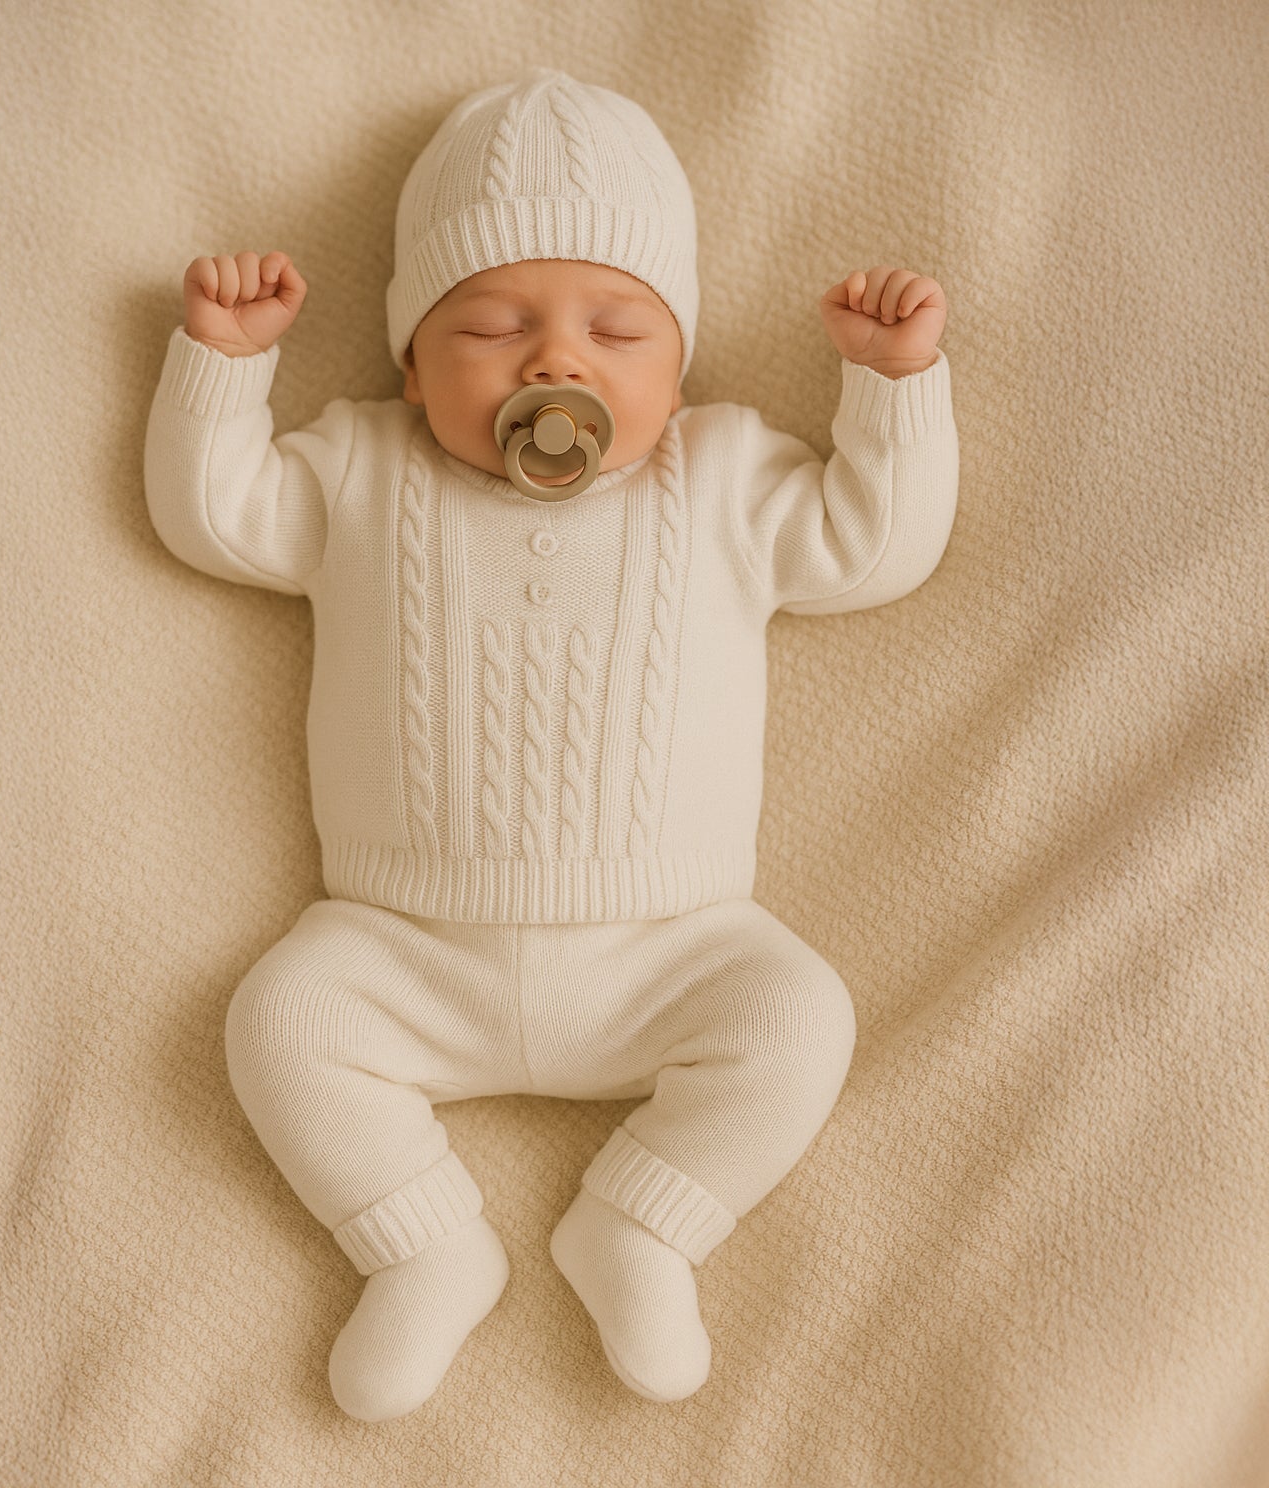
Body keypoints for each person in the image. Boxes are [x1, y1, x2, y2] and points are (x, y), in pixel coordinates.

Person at [144, 69, 958, 1422]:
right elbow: (214, 515)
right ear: (410, 358)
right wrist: (225, 365)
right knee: (280, 1020)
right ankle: (420, 1246)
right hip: (403, 943)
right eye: (494, 323)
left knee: (801, 1017)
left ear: (677, 364)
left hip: (676, 948)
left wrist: (892, 389)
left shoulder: (729, 478)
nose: (556, 361)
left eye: (617, 326)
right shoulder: (358, 466)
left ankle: (642, 1226)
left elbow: (873, 547)